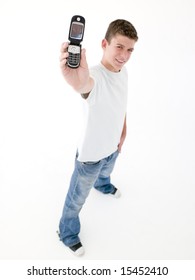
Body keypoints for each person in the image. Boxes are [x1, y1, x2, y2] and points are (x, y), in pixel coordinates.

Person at [58, 19, 138, 256]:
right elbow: (84, 84)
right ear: (105, 44)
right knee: (76, 200)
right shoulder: (95, 76)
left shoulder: (123, 72)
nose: (124, 55)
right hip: (91, 156)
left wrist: (123, 129)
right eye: (119, 47)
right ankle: (67, 232)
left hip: (113, 146)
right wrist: (76, 79)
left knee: (107, 171)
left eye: (130, 49)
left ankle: (103, 185)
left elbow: (120, 102)